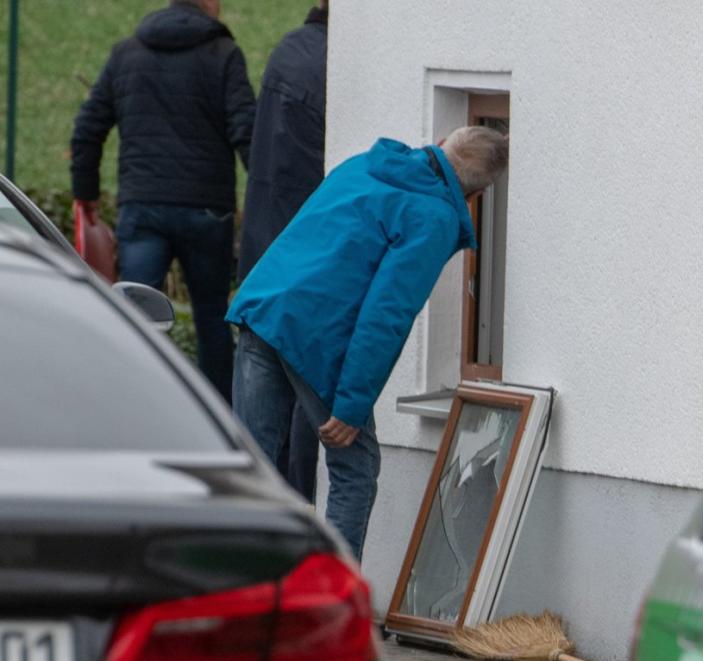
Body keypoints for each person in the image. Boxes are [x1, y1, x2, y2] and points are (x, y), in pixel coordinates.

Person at [227, 127, 509, 559]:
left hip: (263, 310)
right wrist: (351, 406)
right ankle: (330, 607)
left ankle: (231, 593)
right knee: (355, 468)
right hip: (313, 334)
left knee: (252, 468)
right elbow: (386, 316)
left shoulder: (366, 165)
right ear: (478, 192)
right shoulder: (432, 217)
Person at [71, 0, 255, 402]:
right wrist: (263, 203)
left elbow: (87, 130)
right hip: (207, 211)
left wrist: (85, 196)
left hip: (143, 208)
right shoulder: (224, 54)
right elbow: (247, 134)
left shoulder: (127, 53)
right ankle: (218, 423)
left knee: (136, 318)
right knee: (211, 321)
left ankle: (128, 406)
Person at [238, 0, 329, 502]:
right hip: (302, 268)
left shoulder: (290, 52)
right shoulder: (327, 66)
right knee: (300, 425)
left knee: (257, 428)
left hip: (263, 261)